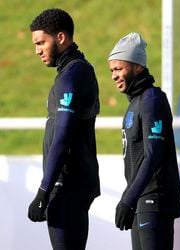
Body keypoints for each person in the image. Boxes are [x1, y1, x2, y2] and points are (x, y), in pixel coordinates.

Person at [27, 8, 100, 250]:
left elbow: (63, 136)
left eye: (41, 42)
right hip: (70, 184)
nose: (37, 50)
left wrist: (44, 190)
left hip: (66, 186)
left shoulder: (73, 75)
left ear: (60, 37)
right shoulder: (72, 73)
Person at [108, 32, 180, 250]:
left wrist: (127, 199)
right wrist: (131, 197)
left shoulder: (151, 100)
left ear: (138, 66)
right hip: (142, 199)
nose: (114, 75)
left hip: (154, 199)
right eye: (112, 70)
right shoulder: (136, 102)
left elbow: (153, 154)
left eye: (119, 68)